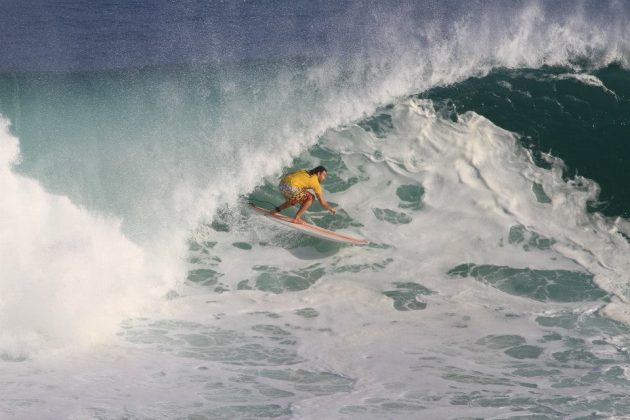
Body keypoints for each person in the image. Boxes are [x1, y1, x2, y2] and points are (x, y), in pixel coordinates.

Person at [271, 165, 336, 224]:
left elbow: (290, 174)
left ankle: (276, 210)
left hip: (282, 185)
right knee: (311, 197)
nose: (324, 178)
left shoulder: (304, 171)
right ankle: (296, 218)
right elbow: (322, 202)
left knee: (297, 197)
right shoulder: (315, 182)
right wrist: (330, 208)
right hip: (290, 188)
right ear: (318, 173)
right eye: (324, 175)